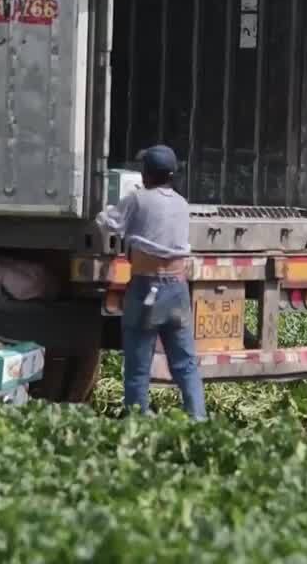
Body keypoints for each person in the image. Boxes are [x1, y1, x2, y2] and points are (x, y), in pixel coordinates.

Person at [96, 145, 207, 420]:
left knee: (138, 365)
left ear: (146, 174)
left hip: (147, 288)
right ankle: (198, 419)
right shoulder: (182, 204)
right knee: (185, 363)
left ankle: (138, 422)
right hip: (178, 289)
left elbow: (107, 222)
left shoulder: (137, 199)